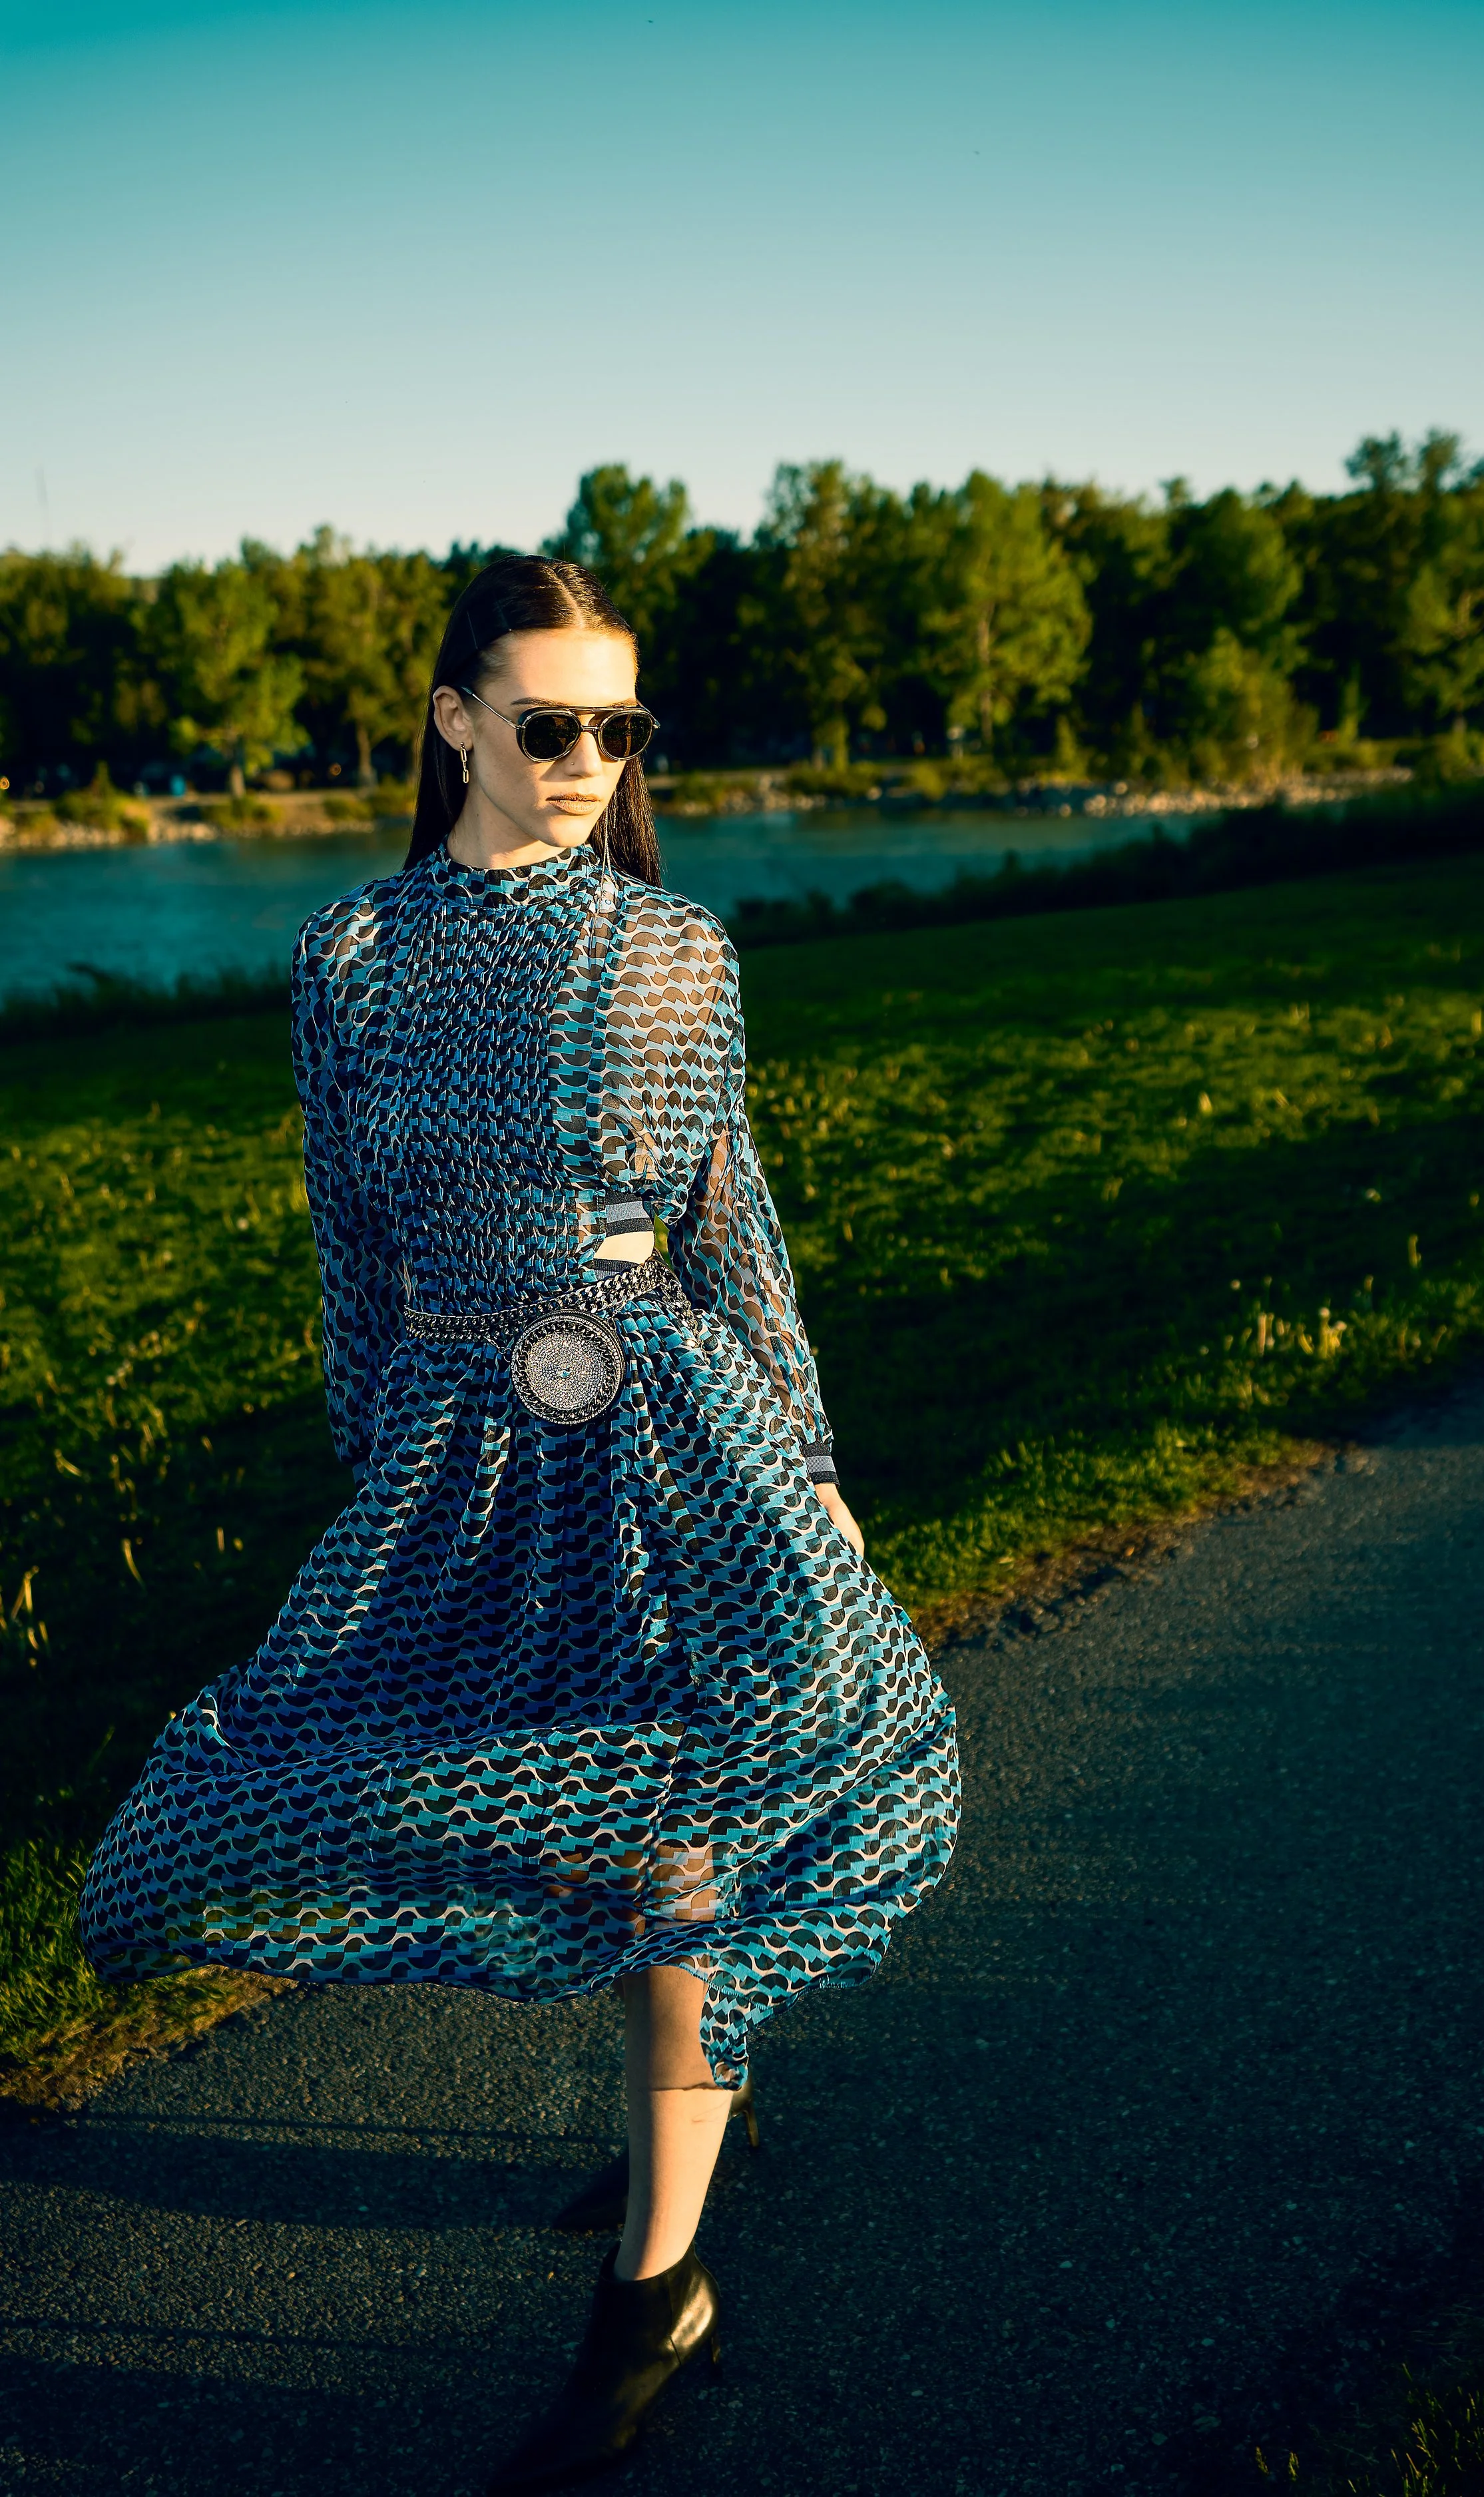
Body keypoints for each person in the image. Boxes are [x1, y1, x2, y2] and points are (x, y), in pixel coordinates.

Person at [81, 557, 960, 2490]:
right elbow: (351, 1243)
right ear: (453, 719)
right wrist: (376, 1443)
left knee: (673, 1844)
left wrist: (805, 1450)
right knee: (422, 1787)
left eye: (616, 729)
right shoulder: (346, 956)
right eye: (545, 722)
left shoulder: (670, 948)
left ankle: (656, 2287)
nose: (582, 762)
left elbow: (734, 1223)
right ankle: (667, 2121)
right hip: (448, 1443)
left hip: (658, 1423)